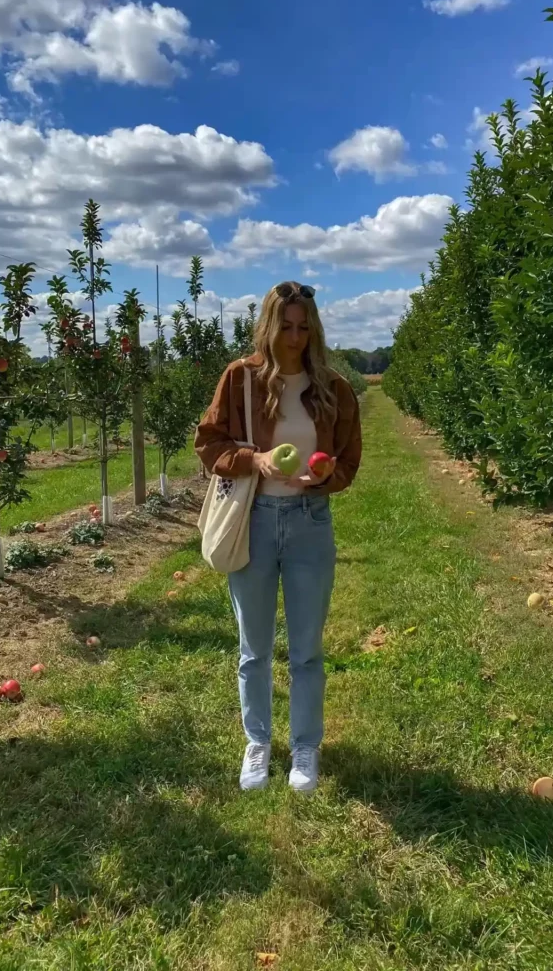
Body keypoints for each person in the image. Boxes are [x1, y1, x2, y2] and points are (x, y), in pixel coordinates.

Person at [195, 282, 362, 793]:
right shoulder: (241, 379)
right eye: (285, 326)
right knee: (255, 647)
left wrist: (327, 473)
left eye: (302, 325)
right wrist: (256, 461)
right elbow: (209, 443)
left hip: (311, 521)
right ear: (269, 325)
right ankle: (259, 742)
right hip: (257, 520)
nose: (294, 337)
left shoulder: (333, 387)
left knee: (307, 648)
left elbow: (349, 459)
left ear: (313, 326)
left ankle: (305, 746)